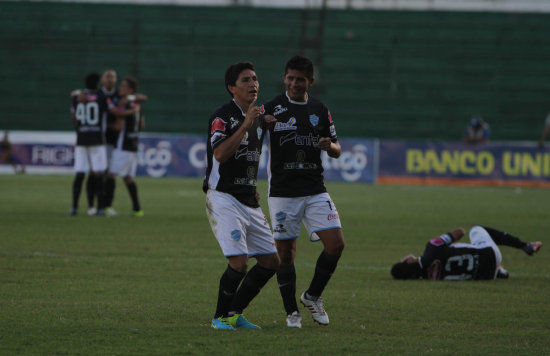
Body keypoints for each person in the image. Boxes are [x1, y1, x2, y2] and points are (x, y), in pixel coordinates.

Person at [261, 55, 345, 328]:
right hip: (283, 193)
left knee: (336, 245)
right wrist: (261, 124)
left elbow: (337, 148)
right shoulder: (271, 108)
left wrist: (328, 146)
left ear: (311, 81)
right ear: (285, 78)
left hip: (315, 189)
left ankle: (312, 296)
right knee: (285, 254)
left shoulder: (320, 109)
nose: (295, 83)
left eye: (301, 79)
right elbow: (249, 135)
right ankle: (291, 313)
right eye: (291, 78)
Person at [203, 62, 280, 330]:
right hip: (223, 197)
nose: (253, 84)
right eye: (246, 80)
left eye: (255, 79)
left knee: (271, 261)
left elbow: (251, 158)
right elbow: (221, 154)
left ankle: (235, 312)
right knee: (239, 262)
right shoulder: (222, 116)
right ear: (231, 87)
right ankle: (219, 318)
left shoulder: (259, 117)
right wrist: (247, 123)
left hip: (248, 198)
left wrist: (251, 185)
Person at [391, 226, 542, 280]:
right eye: (403, 260)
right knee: (476, 230)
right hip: (490, 254)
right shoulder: (431, 248)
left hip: (486, 275)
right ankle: (525, 246)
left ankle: (501, 273)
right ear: (410, 262)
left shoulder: (429, 277)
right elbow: (460, 232)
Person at [105, 77, 144, 217]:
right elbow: (142, 125)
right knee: (128, 178)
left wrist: (105, 126)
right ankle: (137, 209)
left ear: (130, 90)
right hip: (133, 145)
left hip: (123, 145)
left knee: (111, 174)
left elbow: (118, 126)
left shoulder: (126, 105)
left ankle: (107, 207)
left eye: (123, 86)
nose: (120, 88)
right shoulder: (136, 105)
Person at [70, 73, 109, 216]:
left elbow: (73, 118)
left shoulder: (76, 97)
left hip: (81, 138)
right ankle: (100, 208)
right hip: (97, 139)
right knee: (99, 173)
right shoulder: (101, 97)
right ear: (97, 83)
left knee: (80, 173)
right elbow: (108, 111)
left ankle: (74, 207)